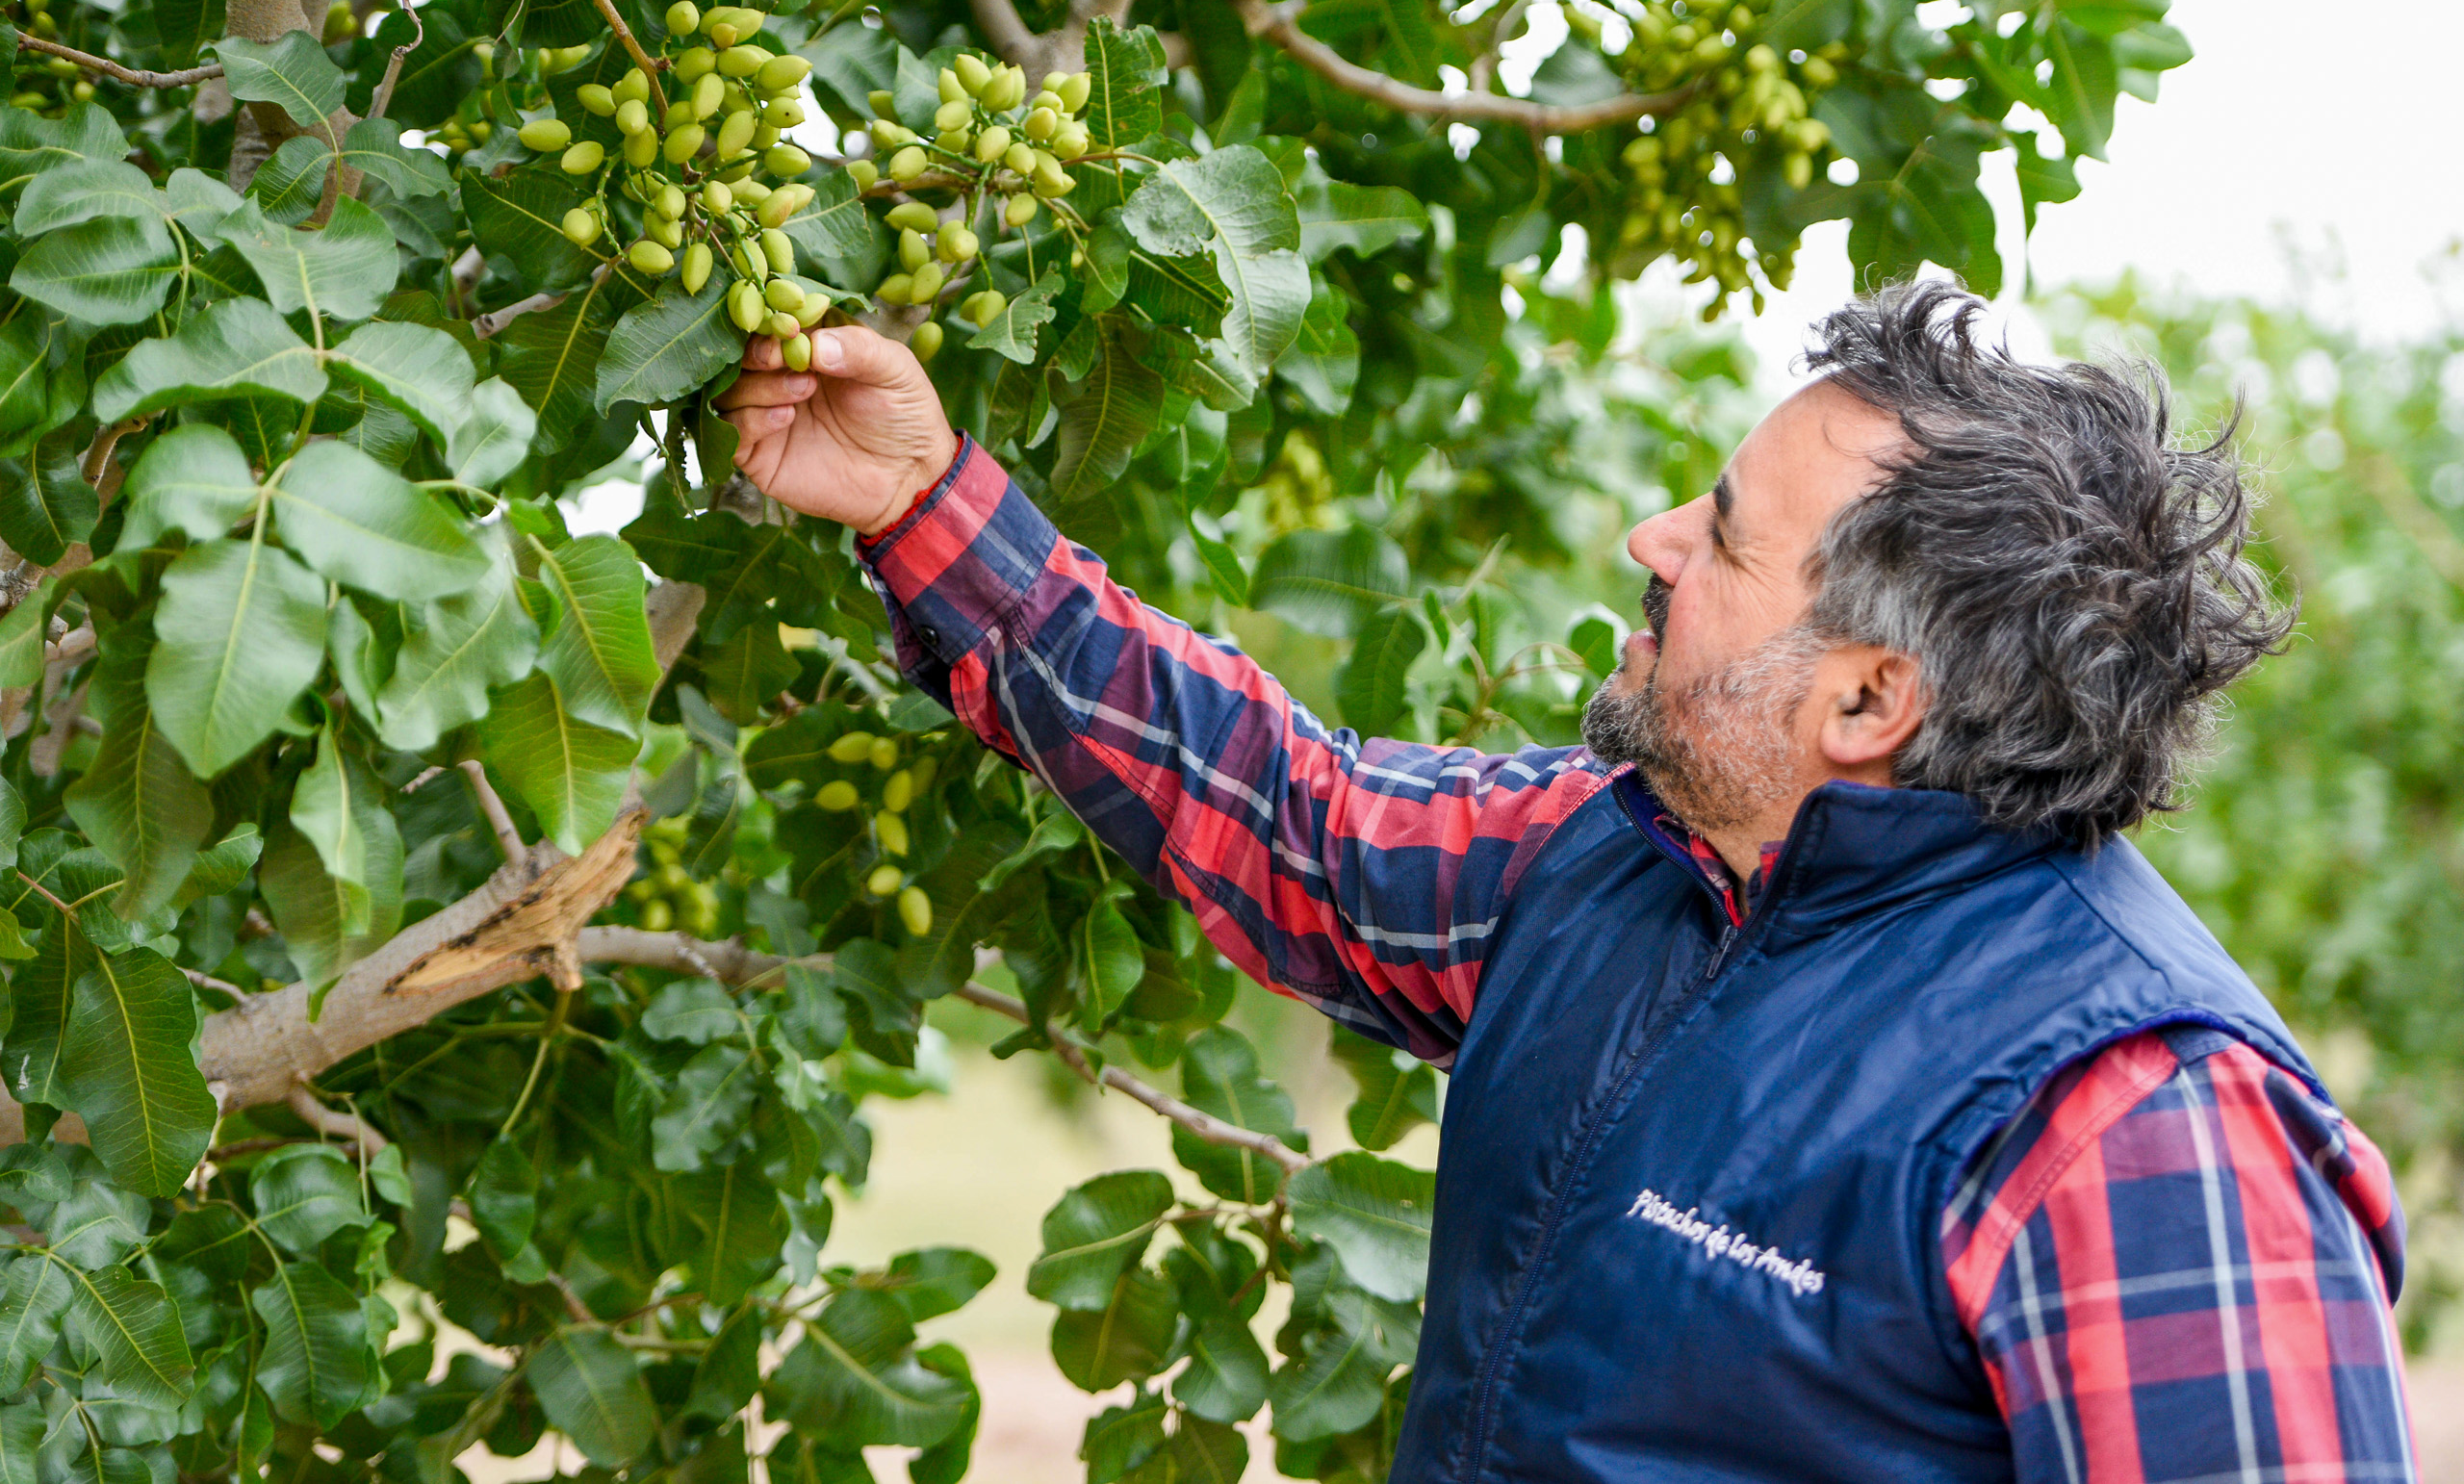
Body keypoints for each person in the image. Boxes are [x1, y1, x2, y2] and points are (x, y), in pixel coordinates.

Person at [717, 283, 2417, 1482]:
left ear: (1867, 699)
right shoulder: (1620, 864)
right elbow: (1289, 812)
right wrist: (928, 506)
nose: (1657, 539)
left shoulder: (2129, 1116)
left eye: (1728, 534)